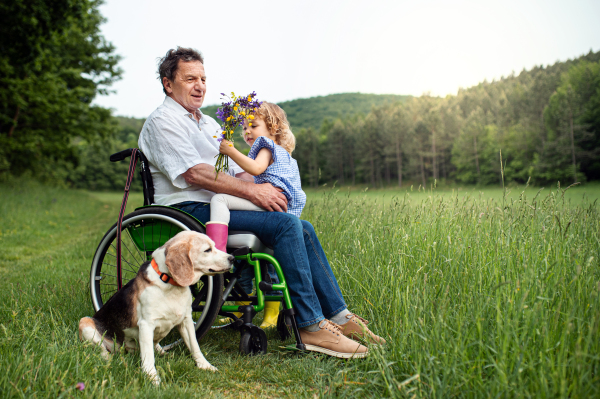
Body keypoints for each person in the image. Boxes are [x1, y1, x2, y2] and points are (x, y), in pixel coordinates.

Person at [138, 47, 385, 359]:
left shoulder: (209, 124)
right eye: (190, 79)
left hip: (223, 205)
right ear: (168, 84)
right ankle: (310, 326)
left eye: (203, 78)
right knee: (285, 225)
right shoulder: (164, 121)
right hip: (189, 211)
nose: (200, 85)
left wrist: (270, 180)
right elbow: (196, 174)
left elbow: (232, 171)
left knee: (302, 227)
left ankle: (338, 317)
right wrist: (253, 192)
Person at [206, 102, 305, 328]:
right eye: (244, 128)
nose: (247, 132)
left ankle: (217, 253)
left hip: (268, 205)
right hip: (282, 208)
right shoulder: (286, 155)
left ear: (273, 127)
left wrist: (230, 151)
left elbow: (256, 169)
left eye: (253, 125)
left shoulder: (265, 146)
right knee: (269, 263)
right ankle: (271, 314)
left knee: (219, 199)